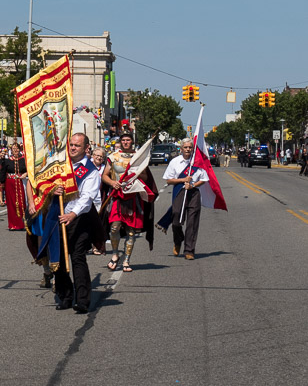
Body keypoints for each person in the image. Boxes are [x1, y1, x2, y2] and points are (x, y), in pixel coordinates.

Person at [51, 133, 103, 313]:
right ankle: (65, 295)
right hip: (58, 215)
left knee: (77, 256)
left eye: (77, 146)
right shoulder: (61, 166)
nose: (73, 148)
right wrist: (53, 190)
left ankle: (82, 300)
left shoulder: (91, 171)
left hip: (80, 218)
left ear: (86, 148)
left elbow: (87, 198)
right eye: (71, 145)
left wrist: (72, 214)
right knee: (58, 256)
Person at [101, 132, 157, 272]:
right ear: (121, 142)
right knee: (114, 227)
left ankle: (126, 260)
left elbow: (145, 177)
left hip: (133, 198)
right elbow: (104, 176)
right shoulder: (113, 157)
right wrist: (113, 182)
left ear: (132, 142)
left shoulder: (138, 158)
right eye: (124, 140)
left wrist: (136, 172)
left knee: (131, 231)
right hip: (117, 197)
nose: (126, 142)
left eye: (128, 140)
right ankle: (115, 255)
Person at [162, 138, 209, 260]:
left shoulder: (197, 162)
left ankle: (189, 250)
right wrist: (183, 180)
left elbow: (204, 179)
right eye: (186, 147)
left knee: (192, 223)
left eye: (190, 147)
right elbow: (168, 179)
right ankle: (178, 240)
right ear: (181, 149)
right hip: (180, 192)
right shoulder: (175, 162)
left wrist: (193, 185)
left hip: (193, 194)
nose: (188, 149)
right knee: (176, 219)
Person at [0, 142, 28, 230]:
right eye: (14, 149)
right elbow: (2, 173)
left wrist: (25, 174)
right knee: (11, 204)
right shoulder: (7, 161)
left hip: (21, 182)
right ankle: (13, 225)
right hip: (10, 183)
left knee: (22, 203)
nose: (15, 150)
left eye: (17, 148)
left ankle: (22, 223)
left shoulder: (23, 160)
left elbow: (29, 169)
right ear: (11, 150)